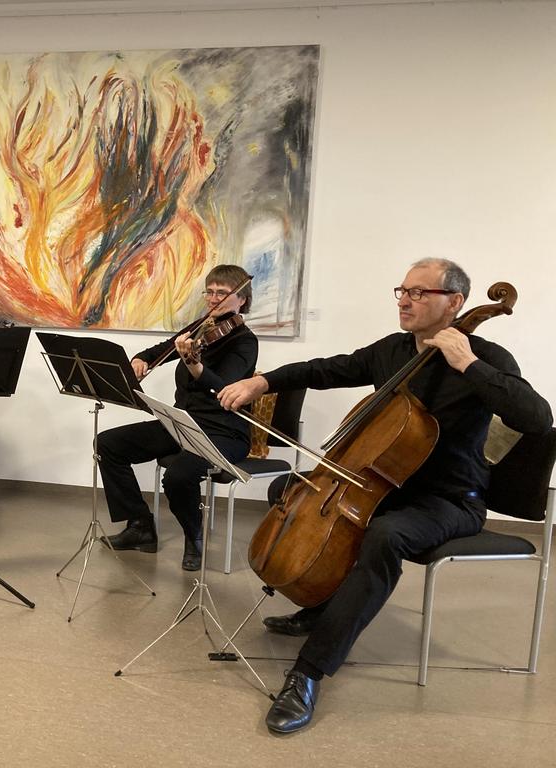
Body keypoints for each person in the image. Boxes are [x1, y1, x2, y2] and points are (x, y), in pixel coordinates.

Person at [218, 258, 552, 734]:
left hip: (449, 500)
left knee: (385, 535)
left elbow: (536, 418)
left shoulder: (485, 357)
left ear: (455, 302)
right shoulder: (393, 351)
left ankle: (308, 673)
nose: (405, 301)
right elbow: (326, 368)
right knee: (289, 487)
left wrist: (469, 364)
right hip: (385, 483)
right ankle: (319, 605)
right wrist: (263, 381)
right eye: (403, 291)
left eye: (419, 293)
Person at [96, 264, 256, 571]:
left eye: (222, 293)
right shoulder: (201, 328)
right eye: (210, 291)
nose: (214, 299)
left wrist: (193, 363)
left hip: (223, 432)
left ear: (242, 299)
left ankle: (193, 538)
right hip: (182, 424)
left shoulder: (244, 341)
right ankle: (140, 526)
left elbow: (222, 388)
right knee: (108, 444)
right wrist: (141, 359)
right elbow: (163, 349)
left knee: (179, 476)